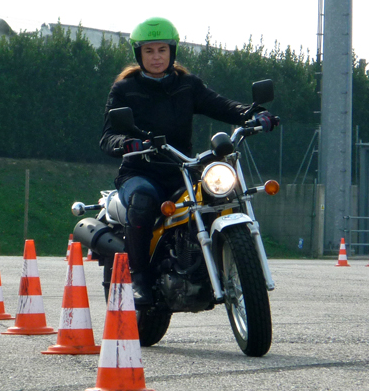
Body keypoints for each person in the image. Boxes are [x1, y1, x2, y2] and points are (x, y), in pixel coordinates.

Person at [99, 17, 278, 306]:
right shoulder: (124, 89)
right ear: (138, 54)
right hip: (140, 171)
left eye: (162, 50)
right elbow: (108, 136)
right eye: (149, 51)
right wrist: (127, 143)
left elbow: (221, 105)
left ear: (172, 51)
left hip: (182, 169)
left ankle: (211, 265)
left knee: (219, 195)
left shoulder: (187, 85)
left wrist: (252, 114)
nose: (156, 57)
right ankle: (139, 279)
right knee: (143, 200)